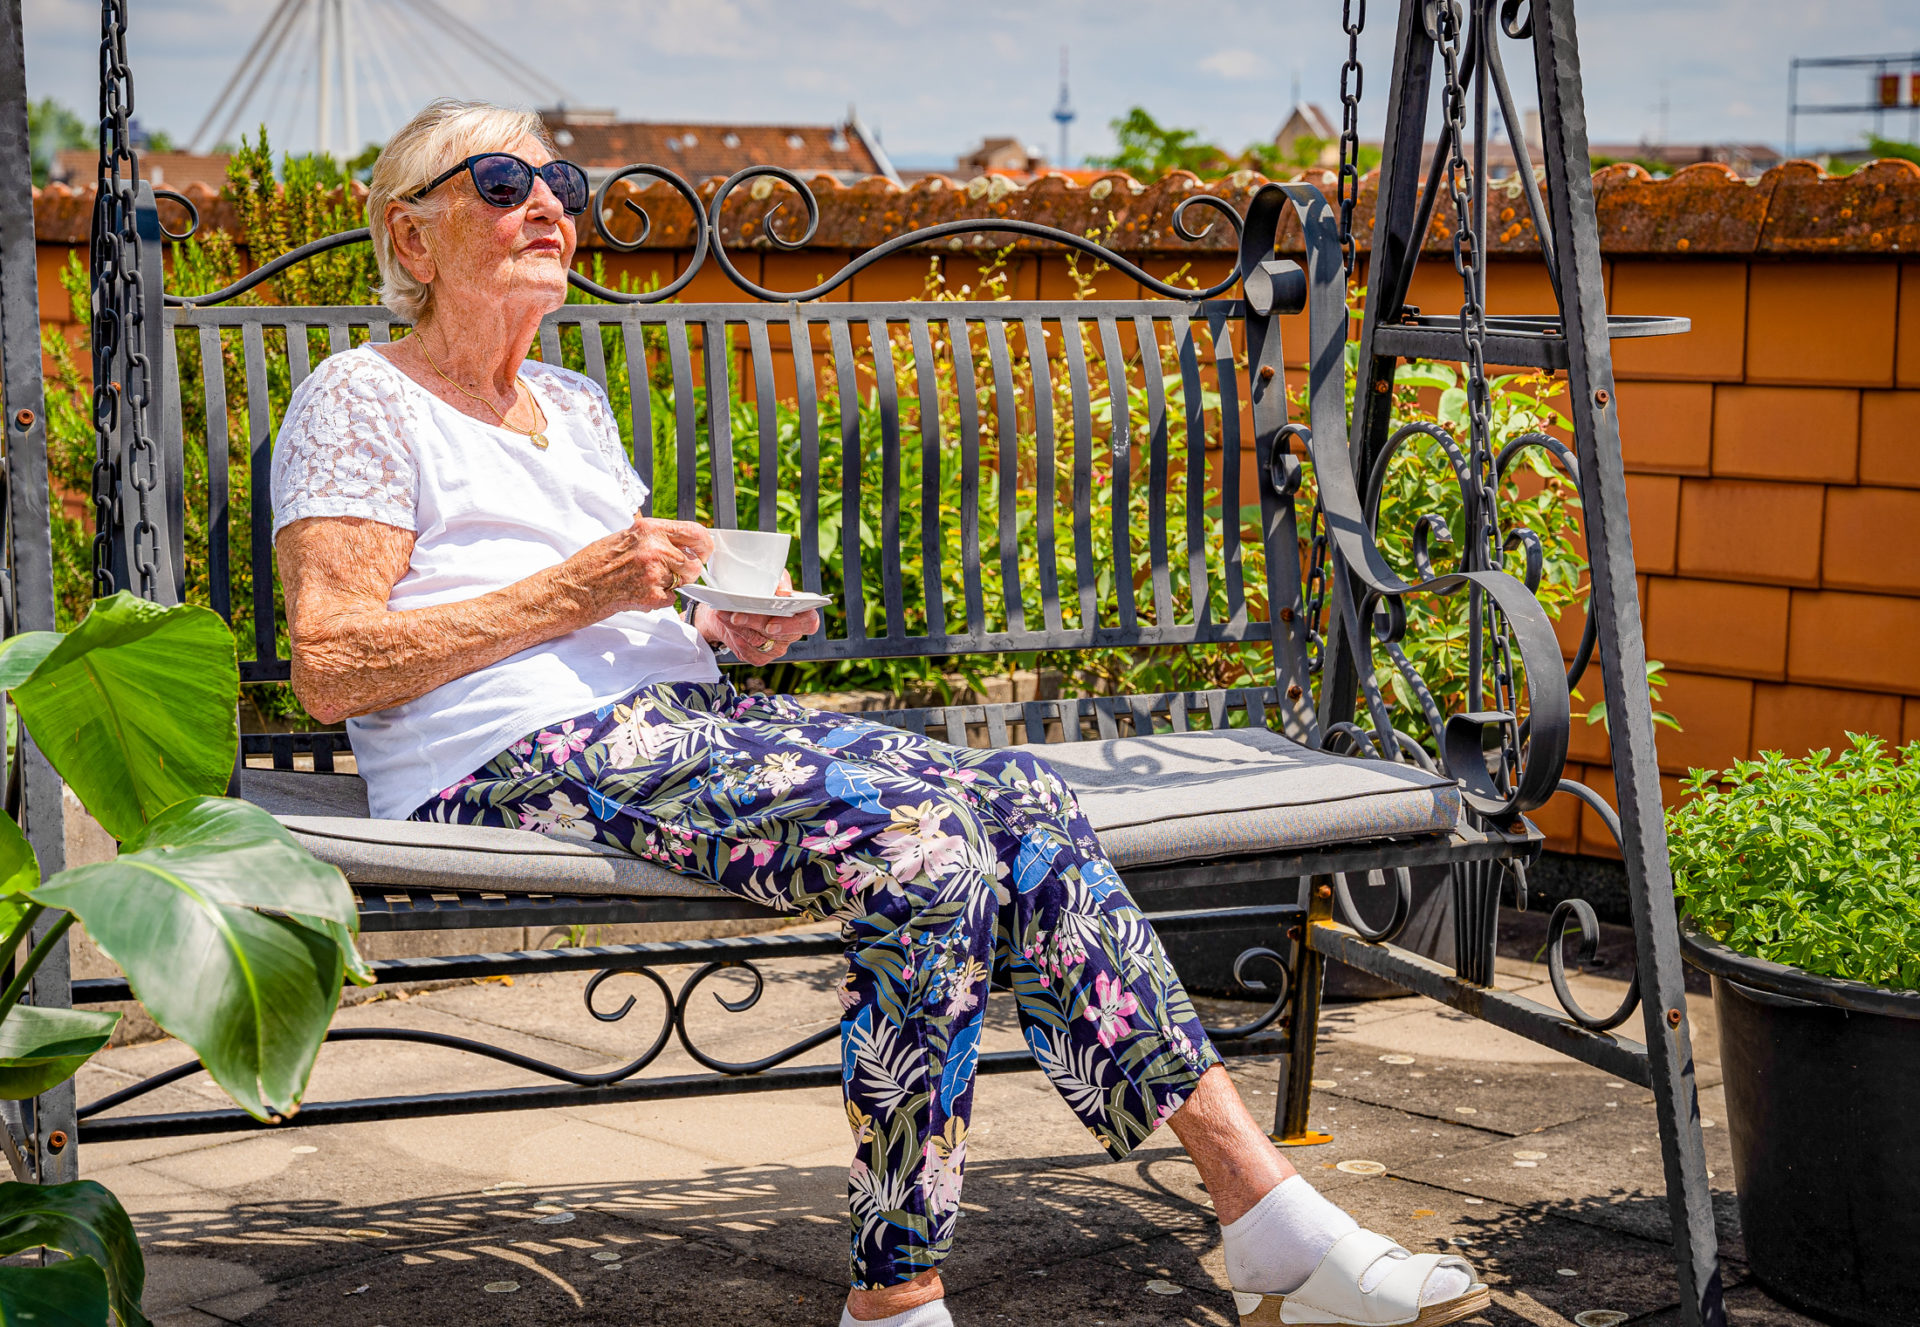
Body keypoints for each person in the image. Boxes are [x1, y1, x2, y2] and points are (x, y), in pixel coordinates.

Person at [271, 98, 1488, 1327]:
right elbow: (333, 662)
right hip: (495, 752)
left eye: (564, 186)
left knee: (1022, 797)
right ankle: (899, 1294)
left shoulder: (572, 405)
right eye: (499, 182)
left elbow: (610, 625)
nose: (549, 206)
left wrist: (710, 630)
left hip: (668, 730)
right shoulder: (360, 398)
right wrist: (580, 585)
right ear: (411, 240)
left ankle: (1263, 1211)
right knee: (926, 850)